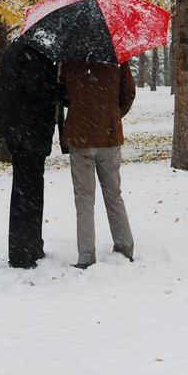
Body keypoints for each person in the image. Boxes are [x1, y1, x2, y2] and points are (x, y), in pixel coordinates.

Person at [0, 38, 62, 269]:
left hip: (20, 131)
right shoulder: (34, 52)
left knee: (26, 190)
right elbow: (36, 87)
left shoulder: (22, 48)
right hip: (27, 132)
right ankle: (24, 252)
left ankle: (29, 246)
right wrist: (61, 89)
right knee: (28, 192)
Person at [61, 57, 136, 269]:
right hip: (109, 135)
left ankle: (86, 256)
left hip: (80, 136)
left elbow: (63, 94)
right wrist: (111, 114)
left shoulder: (70, 58)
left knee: (84, 199)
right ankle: (124, 247)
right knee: (114, 195)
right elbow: (128, 93)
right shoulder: (117, 57)